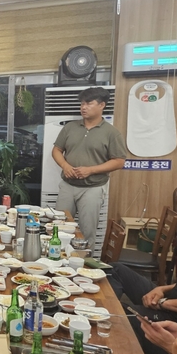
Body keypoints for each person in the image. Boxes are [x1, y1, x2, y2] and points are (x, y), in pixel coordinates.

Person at [52, 87, 126, 245]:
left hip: (93, 188)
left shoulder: (111, 133)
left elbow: (119, 161)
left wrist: (91, 170)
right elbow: (57, 150)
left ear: (102, 105)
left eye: (89, 103)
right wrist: (65, 166)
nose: (83, 107)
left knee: (87, 231)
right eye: (82, 104)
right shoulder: (70, 127)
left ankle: (85, 261)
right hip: (67, 185)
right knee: (59, 226)